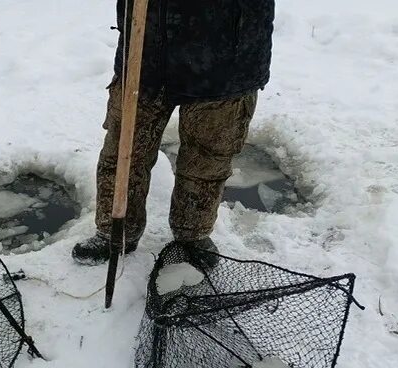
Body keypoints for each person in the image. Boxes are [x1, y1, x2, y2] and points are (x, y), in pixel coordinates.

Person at [72, 0, 275, 265]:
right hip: (146, 47)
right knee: (124, 149)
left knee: (208, 159)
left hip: (229, 56)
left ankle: (192, 236)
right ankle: (116, 230)